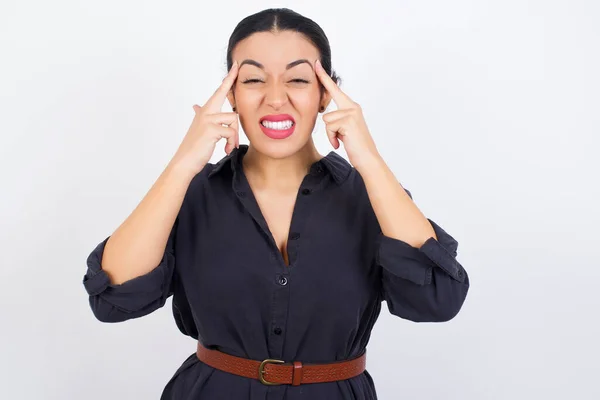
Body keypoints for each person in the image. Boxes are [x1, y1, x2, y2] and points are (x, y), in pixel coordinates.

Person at [82, 7, 470, 400]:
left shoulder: (373, 196)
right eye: (252, 79)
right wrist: (184, 163)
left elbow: (439, 299)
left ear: (325, 94)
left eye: (299, 79)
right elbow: (113, 297)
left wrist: (368, 159)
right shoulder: (193, 193)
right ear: (230, 94)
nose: (275, 98)